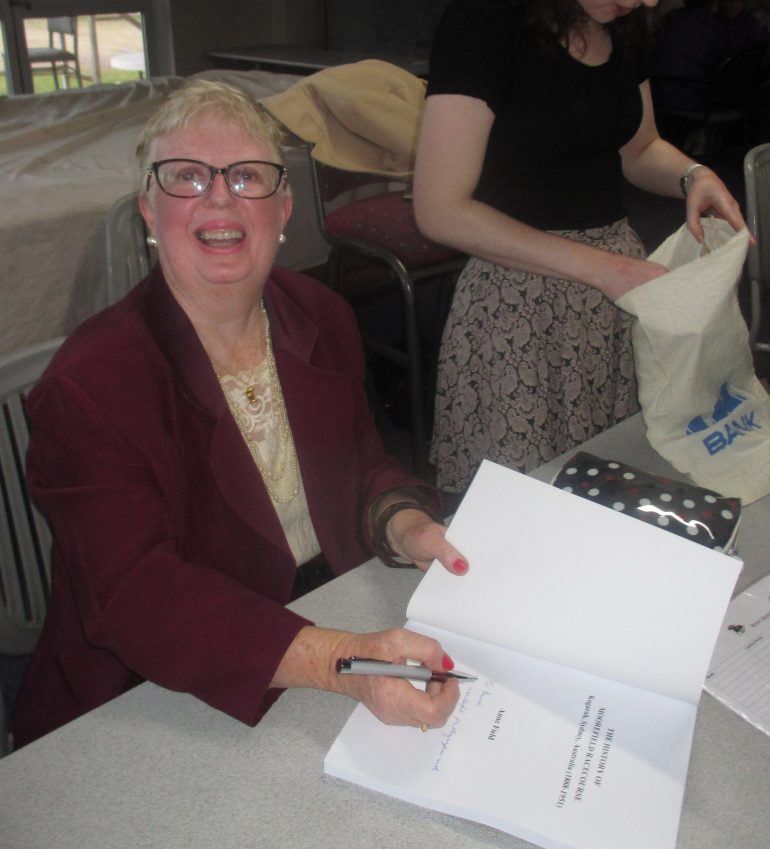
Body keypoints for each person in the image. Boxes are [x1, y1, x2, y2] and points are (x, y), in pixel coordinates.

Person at [12, 80, 469, 749]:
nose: (220, 196)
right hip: (143, 700)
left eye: (248, 176)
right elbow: (139, 596)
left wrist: (406, 525)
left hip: (313, 620)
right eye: (187, 177)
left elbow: (362, 463)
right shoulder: (88, 385)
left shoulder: (321, 315)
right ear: (148, 209)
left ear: (283, 208)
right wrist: (343, 660)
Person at [413, 0, 748, 494]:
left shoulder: (625, 23)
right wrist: (604, 268)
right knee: (523, 506)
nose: (650, 1)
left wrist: (692, 174)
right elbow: (440, 209)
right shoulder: (484, 21)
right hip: (521, 301)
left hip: (617, 291)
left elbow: (638, 149)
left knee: (617, 487)